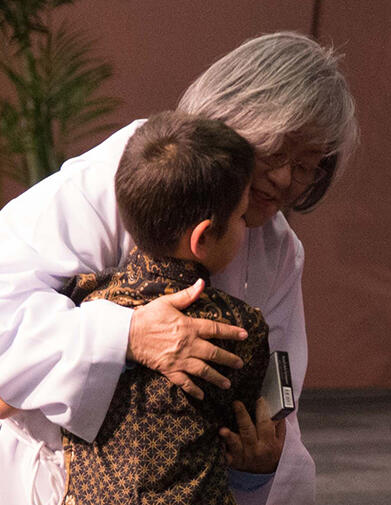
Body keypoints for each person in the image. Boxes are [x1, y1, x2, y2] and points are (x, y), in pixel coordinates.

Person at [0, 31, 357, 505]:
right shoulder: (126, 174)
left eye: (306, 165)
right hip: (33, 470)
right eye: (275, 153)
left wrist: (258, 462)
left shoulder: (279, 250)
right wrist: (127, 334)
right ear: (235, 119)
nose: (283, 179)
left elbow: (276, 398)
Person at [59, 111, 271, 505]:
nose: (248, 227)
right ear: (203, 236)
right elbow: (239, 432)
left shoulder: (80, 300)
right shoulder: (240, 328)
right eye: (242, 216)